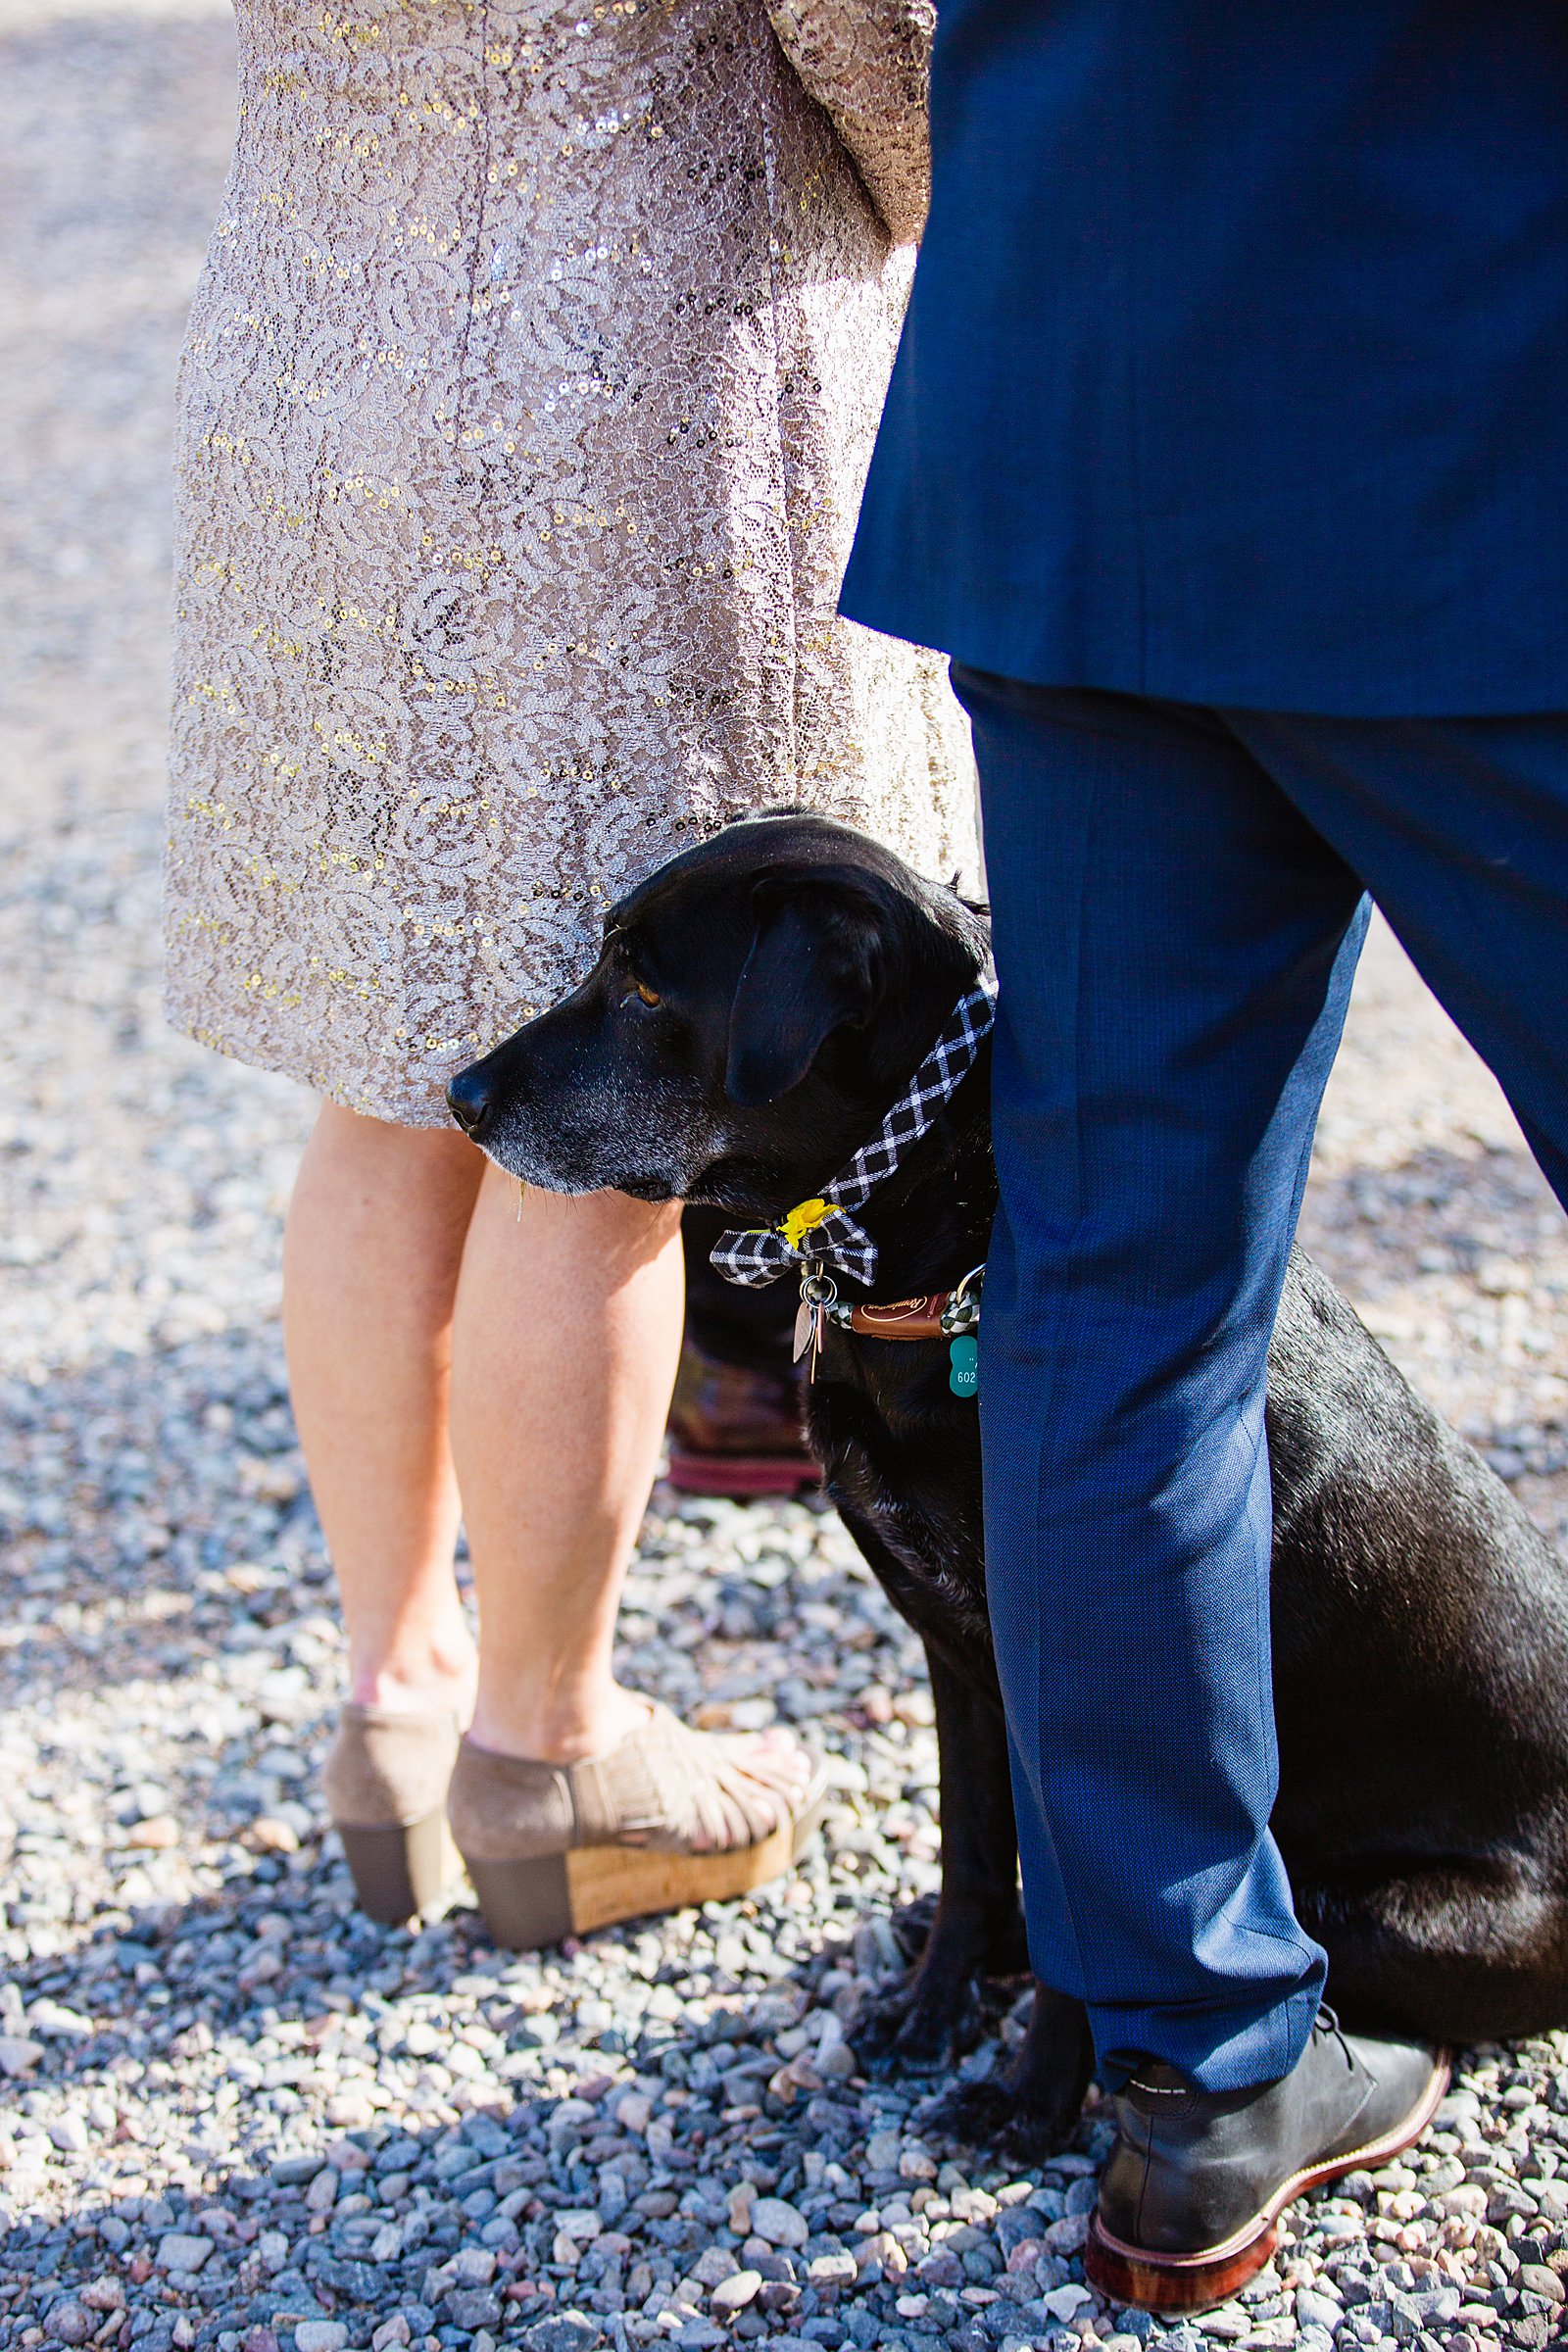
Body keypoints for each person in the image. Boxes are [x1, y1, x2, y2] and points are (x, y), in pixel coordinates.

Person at [838, 0, 1563, 2303]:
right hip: (1458, 422)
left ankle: (1198, 2068)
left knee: (1110, 1292)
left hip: (1080, 419)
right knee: (1112, 1293)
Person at [164, 0, 976, 1943]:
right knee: (617, 1104)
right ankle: (551, 1744)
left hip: (323, 351)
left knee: (389, 1077)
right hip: (637, 373)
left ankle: (399, 1703)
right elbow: (873, 40)